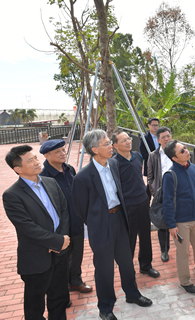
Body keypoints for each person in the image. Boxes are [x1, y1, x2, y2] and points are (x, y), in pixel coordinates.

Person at [72, 129, 152, 320]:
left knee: (126, 263)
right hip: (101, 226)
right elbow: (80, 209)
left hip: (120, 219)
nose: (111, 147)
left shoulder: (114, 165)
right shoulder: (82, 177)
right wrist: (97, 221)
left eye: (110, 142)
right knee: (104, 270)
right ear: (94, 149)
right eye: (107, 144)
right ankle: (106, 308)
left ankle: (132, 294)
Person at [2, 145, 70, 320]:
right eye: (30, 160)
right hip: (36, 259)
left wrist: (61, 240)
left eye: (35, 158)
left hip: (60, 255)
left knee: (59, 300)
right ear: (18, 169)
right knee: (35, 307)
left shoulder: (50, 182)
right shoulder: (12, 195)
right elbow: (27, 227)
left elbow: (63, 212)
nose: (36, 162)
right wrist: (55, 241)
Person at [39, 140, 93, 295]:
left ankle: (75, 281)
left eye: (63, 150)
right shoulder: (43, 177)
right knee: (61, 258)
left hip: (76, 219)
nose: (63, 154)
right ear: (47, 155)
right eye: (58, 152)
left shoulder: (69, 169)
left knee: (77, 253)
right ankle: (61, 291)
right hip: (59, 224)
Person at [162, 140, 195, 294]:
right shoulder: (169, 175)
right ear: (174, 158)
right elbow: (167, 202)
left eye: (185, 148)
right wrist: (172, 225)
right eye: (182, 151)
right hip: (180, 222)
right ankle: (185, 281)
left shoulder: (192, 168)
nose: (186, 151)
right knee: (183, 252)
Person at [111, 130, 160, 278]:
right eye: (123, 140)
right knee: (129, 239)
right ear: (115, 145)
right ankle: (127, 268)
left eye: (128, 139)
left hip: (143, 201)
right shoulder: (114, 162)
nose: (128, 142)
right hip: (127, 205)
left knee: (145, 235)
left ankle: (146, 266)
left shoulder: (138, 156)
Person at [147, 126, 173, 262]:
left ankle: (184, 246)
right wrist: (155, 191)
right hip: (162, 193)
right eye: (163, 137)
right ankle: (164, 250)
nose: (167, 139)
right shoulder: (153, 156)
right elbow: (150, 177)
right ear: (158, 140)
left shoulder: (179, 151)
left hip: (178, 192)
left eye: (168, 136)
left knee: (182, 220)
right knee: (163, 223)